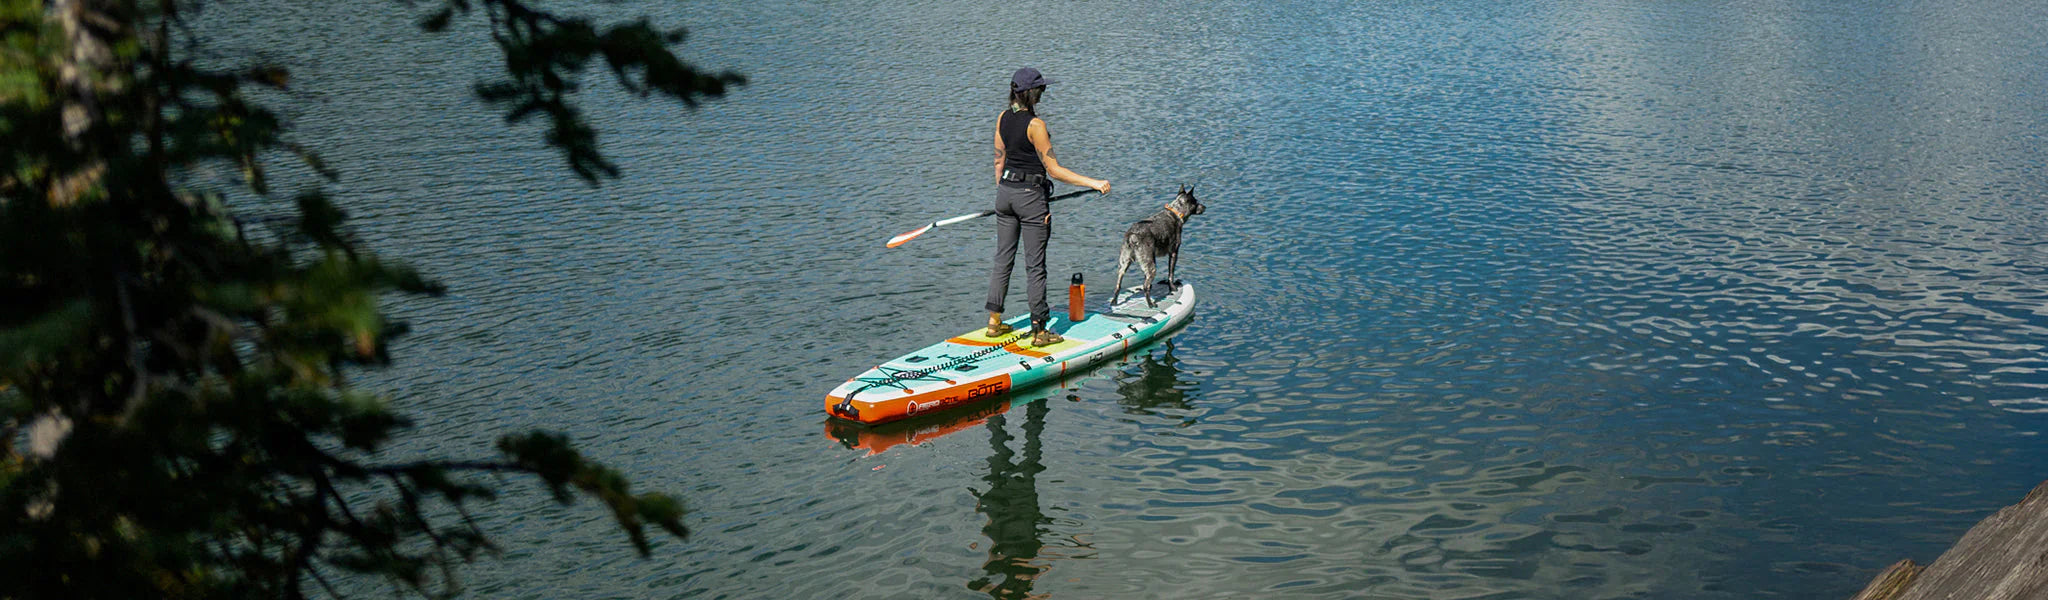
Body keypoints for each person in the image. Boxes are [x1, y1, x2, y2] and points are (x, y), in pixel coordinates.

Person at [985, 67, 1111, 347]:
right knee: (1035, 266)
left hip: (1005, 194)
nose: (1044, 93)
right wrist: (1093, 182)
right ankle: (1040, 330)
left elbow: (998, 161)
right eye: (1041, 89)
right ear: (1031, 92)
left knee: (1002, 259)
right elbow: (1053, 170)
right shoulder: (1036, 125)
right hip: (1030, 199)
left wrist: (1004, 192)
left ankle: (994, 322)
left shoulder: (1002, 117)